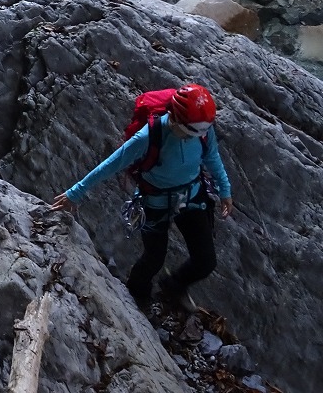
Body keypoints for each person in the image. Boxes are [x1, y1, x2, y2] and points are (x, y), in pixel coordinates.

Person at [50, 84, 233, 311]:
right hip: (154, 203)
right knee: (154, 259)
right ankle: (137, 295)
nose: (196, 138)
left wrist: (225, 190)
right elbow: (111, 164)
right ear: (176, 121)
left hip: (193, 197)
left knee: (205, 261)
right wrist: (74, 193)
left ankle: (173, 286)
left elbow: (212, 157)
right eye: (191, 134)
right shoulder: (148, 137)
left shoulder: (201, 129)